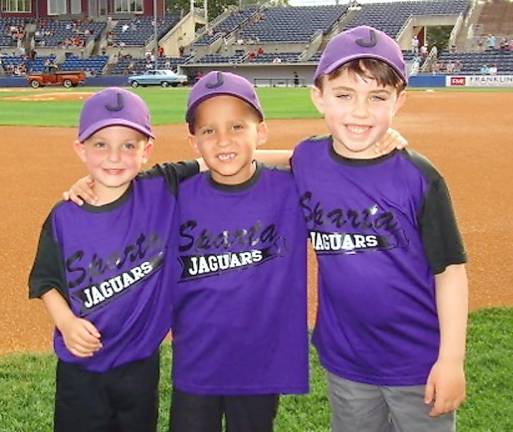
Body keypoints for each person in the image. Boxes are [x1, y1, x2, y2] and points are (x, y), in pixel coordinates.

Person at [291, 25, 468, 432]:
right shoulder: (307, 159)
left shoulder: (419, 177)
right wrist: (216, 158)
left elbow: (451, 271)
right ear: (318, 96)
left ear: (398, 102)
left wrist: (452, 359)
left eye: (377, 97)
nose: (360, 112)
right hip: (347, 361)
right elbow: (258, 163)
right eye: (344, 95)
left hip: (418, 363)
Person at [28, 87, 200, 432]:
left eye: (129, 145)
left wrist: (306, 155)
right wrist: (66, 322)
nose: (114, 157)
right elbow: (45, 280)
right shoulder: (65, 215)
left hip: (140, 362)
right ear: (81, 149)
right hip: (82, 367)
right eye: (101, 144)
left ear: (146, 151)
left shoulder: (162, 187)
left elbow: (226, 158)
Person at [169, 71, 309, 432]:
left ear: (260, 132)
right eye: (208, 131)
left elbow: (336, 160)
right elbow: (122, 189)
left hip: (258, 365)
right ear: (193, 140)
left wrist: (386, 140)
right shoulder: (174, 197)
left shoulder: (291, 191)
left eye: (237, 127)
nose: (223, 140)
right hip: (196, 363)